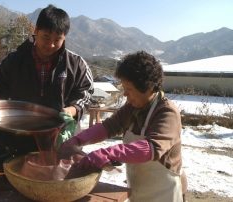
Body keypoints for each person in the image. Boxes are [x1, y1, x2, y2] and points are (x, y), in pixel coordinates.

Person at [59, 51, 186, 202]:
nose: (125, 94)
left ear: (149, 87)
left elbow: (151, 149)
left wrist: (107, 153)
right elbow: (109, 127)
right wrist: (77, 140)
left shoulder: (167, 112)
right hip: (138, 188)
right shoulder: (132, 107)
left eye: (129, 89)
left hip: (165, 192)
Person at [0, 4, 94, 145]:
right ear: (36, 31)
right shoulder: (15, 60)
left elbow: (86, 93)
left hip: (61, 137)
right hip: (19, 134)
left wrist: (72, 110)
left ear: (64, 38)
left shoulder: (76, 64)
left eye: (57, 40)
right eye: (46, 37)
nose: (51, 44)